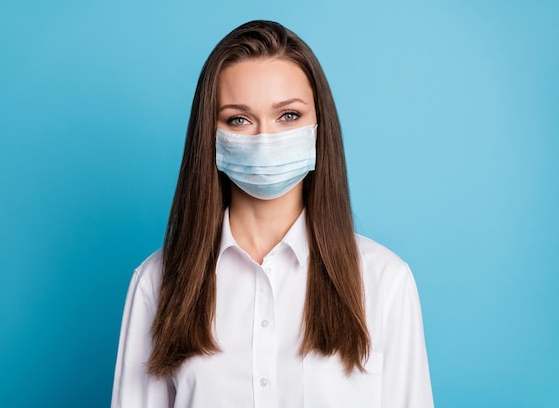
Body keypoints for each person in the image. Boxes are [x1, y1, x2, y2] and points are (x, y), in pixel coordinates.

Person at [111, 20, 434, 408]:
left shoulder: (384, 282)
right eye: (239, 119)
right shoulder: (157, 283)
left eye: (288, 116)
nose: (266, 139)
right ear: (209, 135)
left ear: (318, 126)